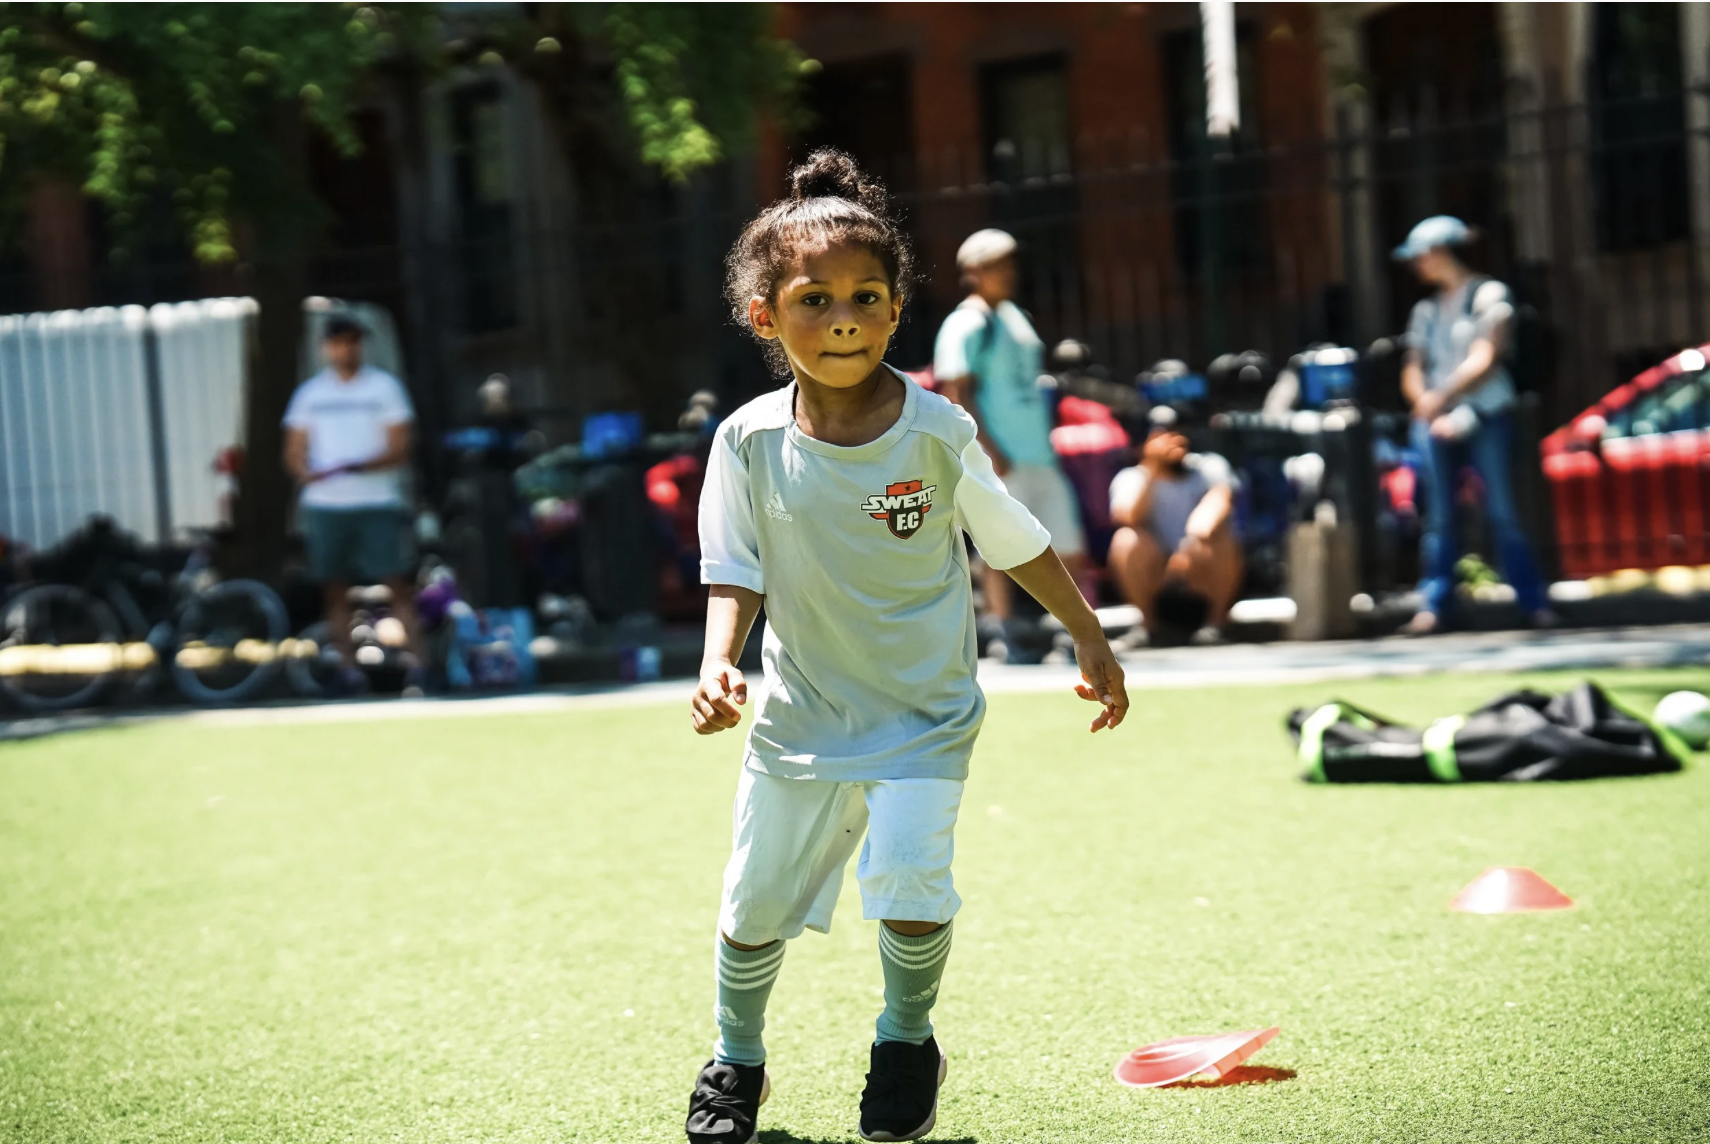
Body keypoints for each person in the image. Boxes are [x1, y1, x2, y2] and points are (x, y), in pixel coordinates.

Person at [685, 150, 1128, 1144]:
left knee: (913, 889)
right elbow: (735, 566)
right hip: (801, 717)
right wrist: (720, 662)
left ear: (895, 313)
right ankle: (735, 1059)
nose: (842, 317)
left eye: (865, 297)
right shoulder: (748, 441)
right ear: (766, 317)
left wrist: (1089, 635)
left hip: (925, 713)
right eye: (813, 299)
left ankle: (904, 1040)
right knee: (752, 909)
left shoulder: (935, 429)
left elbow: (1012, 536)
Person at [1394, 215, 1551, 635]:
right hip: (1435, 418)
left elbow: (1486, 356)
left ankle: (1532, 602)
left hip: (1484, 414)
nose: (1416, 266)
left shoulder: (1489, 294)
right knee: (1440, 517)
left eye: (1420, 256)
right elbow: (1412, 366)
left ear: (1442, 251)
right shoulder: (1425, 310)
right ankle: (1435, 604)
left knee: (1502, 511)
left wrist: (1442, 397)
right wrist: (1425, 404)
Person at [933, 229, 1091, 636]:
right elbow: (956, 393)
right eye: (996, 264)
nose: (1008, 272)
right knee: (998, 547)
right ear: (973, 271)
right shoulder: (965, 324)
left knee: (1067, 547)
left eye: (1009, 263)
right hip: (1000, 458)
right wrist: (987, 451)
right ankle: (1002, 629)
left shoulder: (1015, 316)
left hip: (1039, 455)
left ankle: (1068, 631)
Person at [282, 316, 427, 695]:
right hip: (327, 507)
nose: (347, 350)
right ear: (326, 348)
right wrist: (306, 472)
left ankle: (418, 665)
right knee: (334, 589)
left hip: (377, 501)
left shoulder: (384, 388)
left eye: (353, 342)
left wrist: (354, 465)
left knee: (396, 583)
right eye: (340, 342)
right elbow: (294, 450)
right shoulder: (310, 395)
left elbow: (399, 446)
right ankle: (347, 669)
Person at [1107, 407, 1243, 645]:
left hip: (1198, 569)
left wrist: (1190, 545)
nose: (1174, 441)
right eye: (1162, 436)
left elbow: (1220, 501)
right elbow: (1129, 518)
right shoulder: (1131, 476)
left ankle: (1216, 625)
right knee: (1126, 538)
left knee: (1224, 539)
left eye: (1176, 433)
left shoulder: (1209, 466)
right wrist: (1153, 468)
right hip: (1158, 577)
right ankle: (1147, 627)